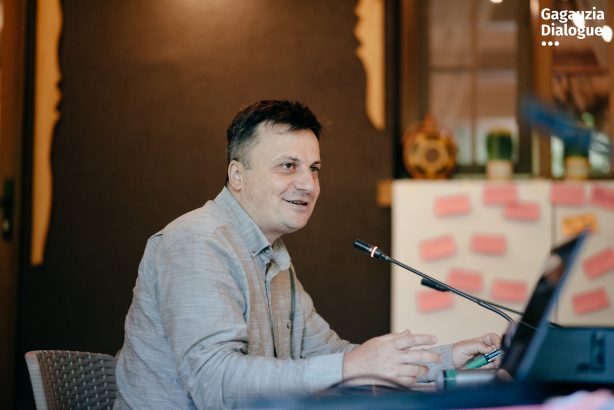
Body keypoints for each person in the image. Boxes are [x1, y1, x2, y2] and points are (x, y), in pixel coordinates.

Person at [114, 100, 500, 409]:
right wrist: (350, 366)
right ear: (237, 175)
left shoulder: (273, 255)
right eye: (288, 166)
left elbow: (333, 355)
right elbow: (215, 386)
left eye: (314, 169)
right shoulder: (197, 242)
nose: (308, 184)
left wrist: (446, 360)